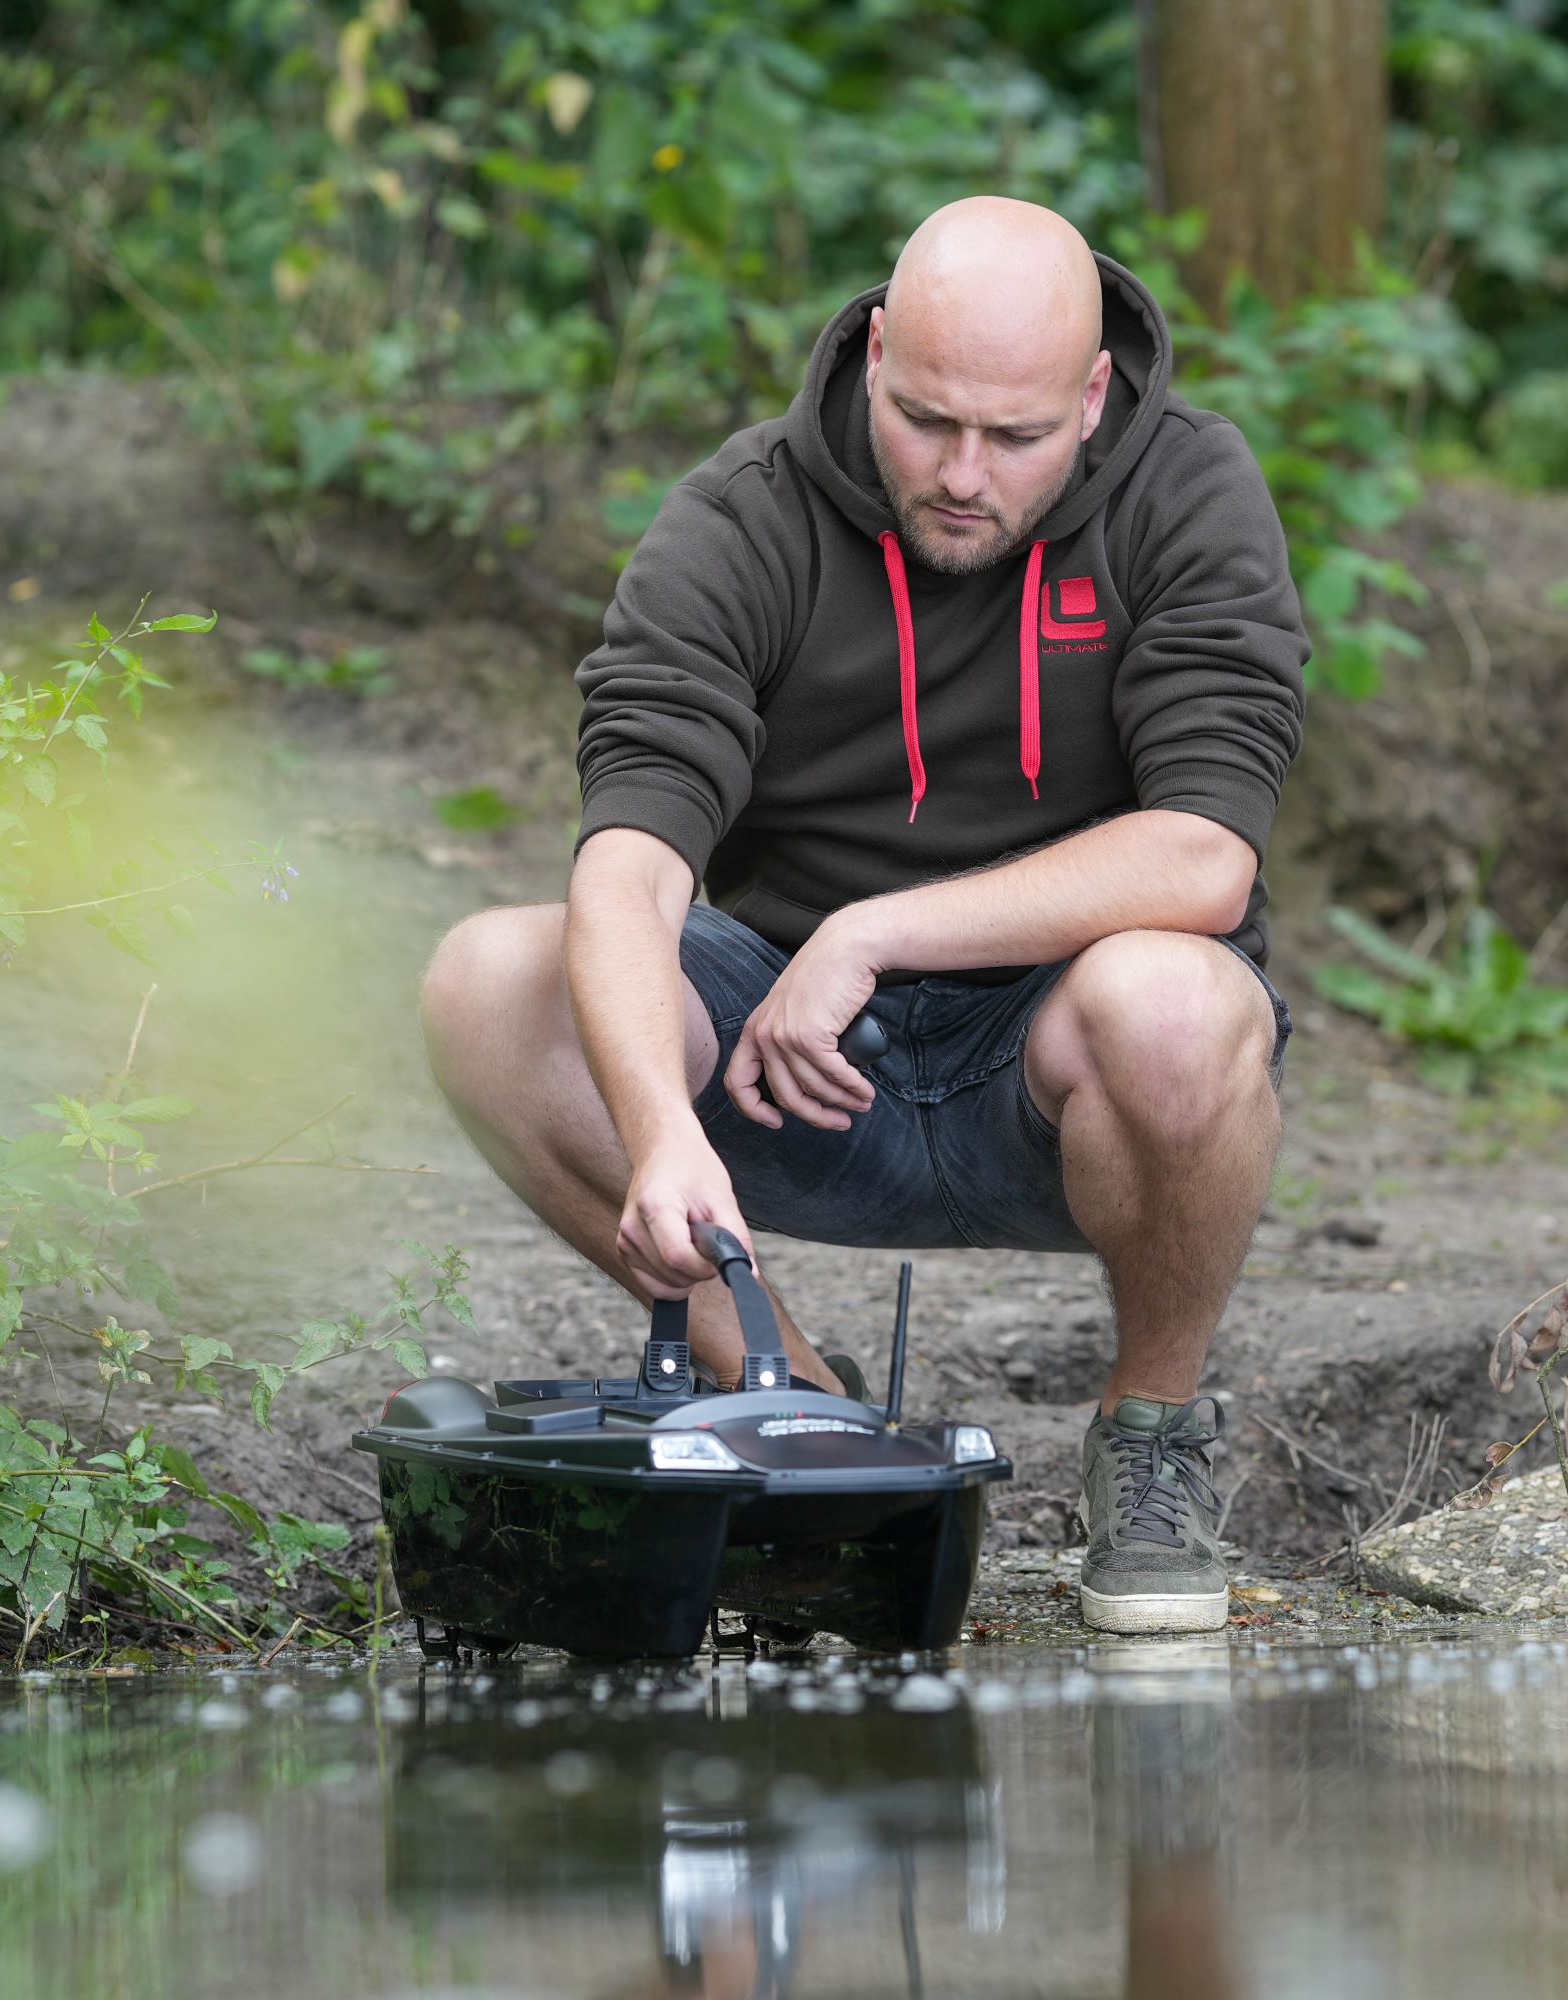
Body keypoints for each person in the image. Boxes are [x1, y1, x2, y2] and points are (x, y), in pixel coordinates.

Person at [420, 195, 1306, 1633]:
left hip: (1061, 1066)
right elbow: (631, 861)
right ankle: (790, 1408)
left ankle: (1151, 1439)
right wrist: (657, 1131)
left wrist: (875, 931)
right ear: (877, 352)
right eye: (925, 419)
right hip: (790, 1063)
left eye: (1015, 438)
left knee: (1179, 995)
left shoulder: (1188, 491)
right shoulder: (746, 511)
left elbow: (1205, 855)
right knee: (486, 980)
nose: (963, 475)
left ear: (1091, 398)